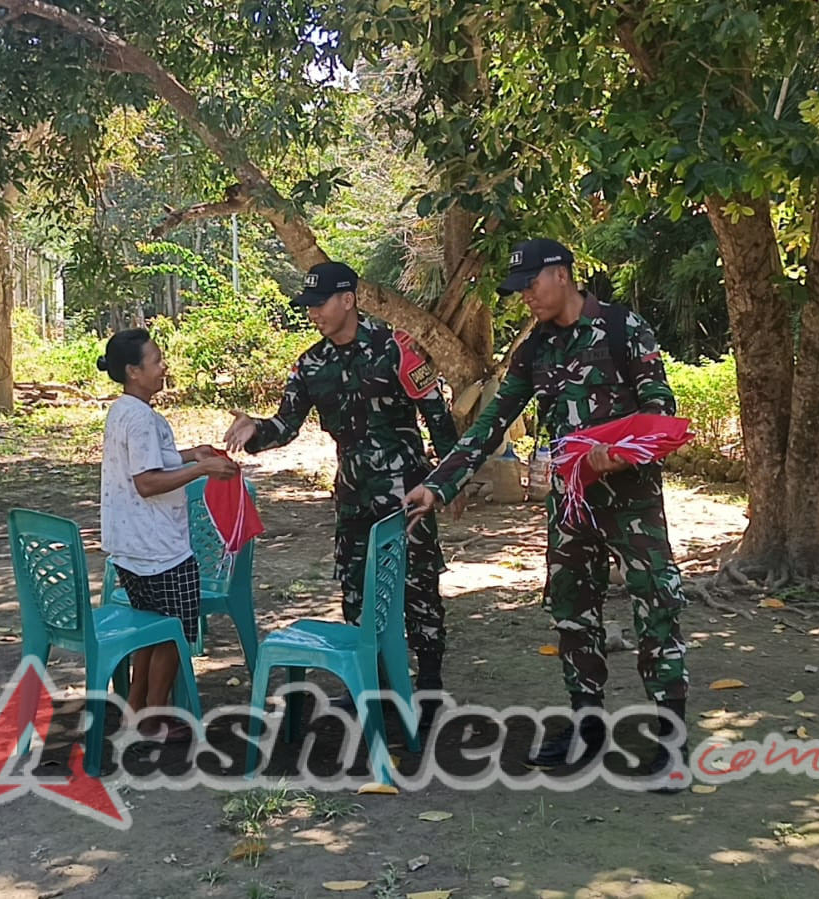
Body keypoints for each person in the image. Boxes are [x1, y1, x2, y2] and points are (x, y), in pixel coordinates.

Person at [404, 239, 690, 790]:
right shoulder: (535, 348)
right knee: (572, 610)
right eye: (519, 290)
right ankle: (587, 727)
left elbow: (661, 410)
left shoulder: (622, 328)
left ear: (561, 274)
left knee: (657, 605)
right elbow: (489, 425)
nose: (526, 298)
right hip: (572, 502)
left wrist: (618, 453)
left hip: (630, 499)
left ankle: (670, 740)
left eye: (532, 284)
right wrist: (438, 487)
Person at [224, 261, 460, 717]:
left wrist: (447, 482)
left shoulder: (396, 346)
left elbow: (438, 416)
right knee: (356, 590)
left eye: (320, 303)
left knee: (419, 589)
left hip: (406, 496)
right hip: (352, 496)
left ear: (347, 300)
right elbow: (286, 424)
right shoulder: (312, 363)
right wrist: (254, 430)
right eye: (308, 305)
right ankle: (371, 684)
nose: (313, 313)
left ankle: (428, 687)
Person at [99, 328, 239, 742]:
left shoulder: (124, 411)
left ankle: (137, 708)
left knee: (150, 629)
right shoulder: (141, 418)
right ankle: (153, 717)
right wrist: (201, 470)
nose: (163, 367)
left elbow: (152, 462)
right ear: (133, 371)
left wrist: (191, 454)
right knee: (174, 631)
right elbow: (147, 481)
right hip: (159, 546)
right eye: (156, 361)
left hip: (130, 545)